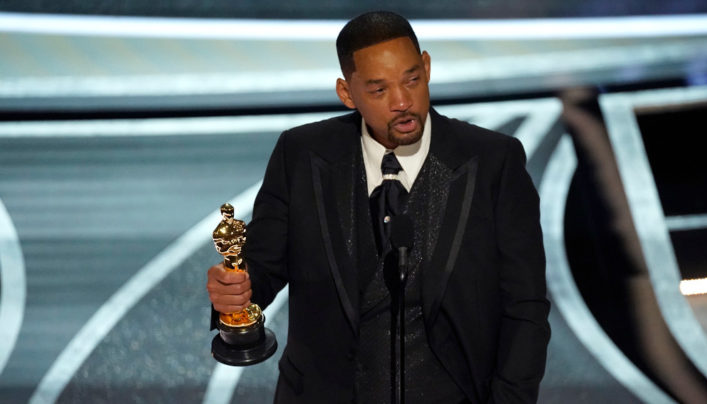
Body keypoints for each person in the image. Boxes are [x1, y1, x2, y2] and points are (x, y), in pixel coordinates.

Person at [207, 10, 550, 404]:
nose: (402, 101)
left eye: (412, 80)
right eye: (379, 90)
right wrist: (235, 290)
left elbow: (525, 306)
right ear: (347, 93)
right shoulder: (301, 155)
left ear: (427, 67)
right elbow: (263, 267)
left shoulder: (493, 161)